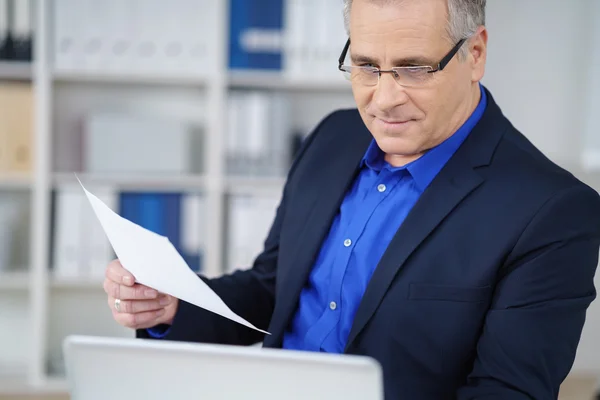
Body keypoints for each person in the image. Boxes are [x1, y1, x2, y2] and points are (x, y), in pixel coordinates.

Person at [103, 0, 600, 398]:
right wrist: (173, 304)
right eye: (366, 66)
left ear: (476, 55)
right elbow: (272, 290)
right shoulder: (333, 138)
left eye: (413, 68)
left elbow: (507, 392)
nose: (383, 99)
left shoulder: (553, 211)